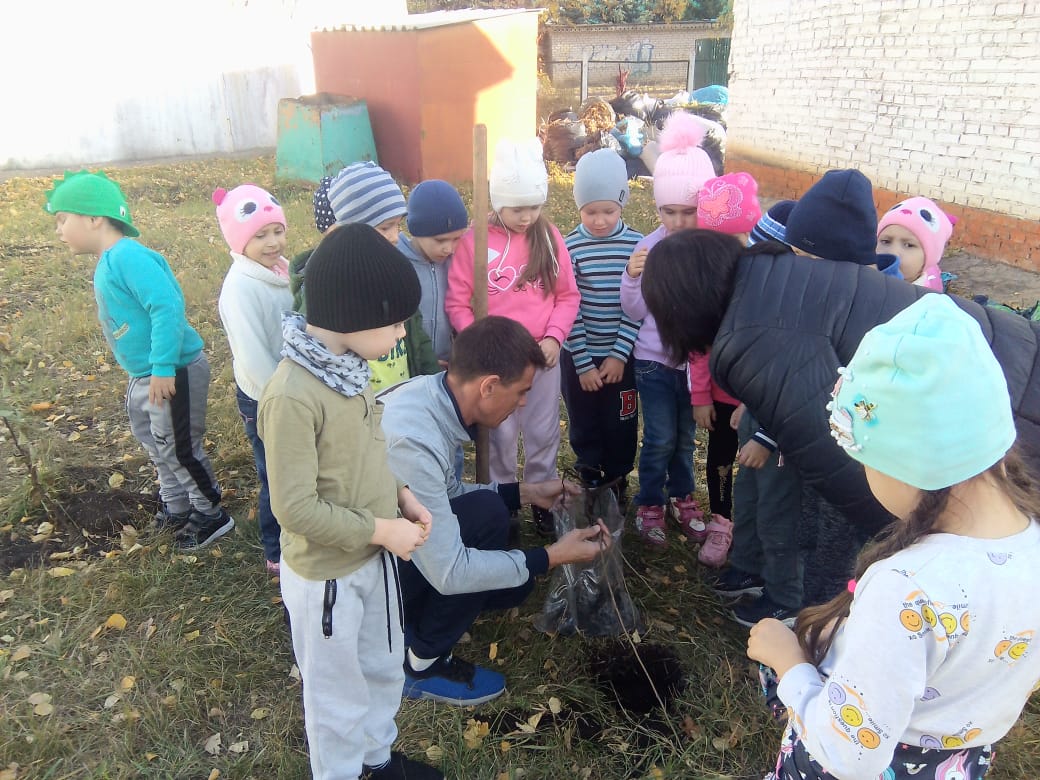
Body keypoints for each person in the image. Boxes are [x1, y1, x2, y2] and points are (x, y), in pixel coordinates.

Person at [748, 293, 1040, 780]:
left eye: (865, 462)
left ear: (910, 465)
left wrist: (790, 663)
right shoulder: (1028, 540)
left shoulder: (907, 586)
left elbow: (849, 755)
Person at [638, 229, 1040, 552]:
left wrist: (905, 556)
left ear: (680, 309)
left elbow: (844, 463)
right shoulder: (778, 274)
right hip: (1015, 352)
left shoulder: (753, 344)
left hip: (1013, 426)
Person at [258, 223, 442, 780]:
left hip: (372, 559)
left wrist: (401, 496)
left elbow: (369, 450)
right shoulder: (292, 395)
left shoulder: (351, 371)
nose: (399, 335)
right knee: (336, 695)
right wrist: (384, 531)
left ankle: (375, 761)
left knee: (383, 667)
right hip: (328, 577)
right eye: (392, 323)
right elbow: (295, 509)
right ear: (351, 315)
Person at [380, 316, 609, 706]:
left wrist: (525, 492)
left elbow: (445, 493)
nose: (523, 403)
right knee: (488, 522)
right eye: (521, 392)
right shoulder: (413, 441)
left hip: (390, 546)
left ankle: (416, 615)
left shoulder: (432, 397)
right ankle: (422, 663)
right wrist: (551, 556)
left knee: (510, 573)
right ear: (488, 386)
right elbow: (450, 572)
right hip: (365, 576)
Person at [45, 170, 233, 551]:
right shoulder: (111, 260)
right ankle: (178, 506)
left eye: (63, 219)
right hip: (145, 374)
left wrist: (163, 367)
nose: (59, 230)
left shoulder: (128, 256)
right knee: (156, 443)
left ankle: (210, 512)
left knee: (178, 446)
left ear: (93, 218)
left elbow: (166, 306)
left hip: (171, 369)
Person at [445, 138, 580, 535]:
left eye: (534, 207)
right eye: (518, 208)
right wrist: (484, 347)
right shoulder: (475, 243)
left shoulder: (548, 238)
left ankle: (542, 495)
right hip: (496, 366)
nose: (527, 217)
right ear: (497, 201)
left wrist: (555, 337)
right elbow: (458, 303)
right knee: (499, 435)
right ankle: (502, 500)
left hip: (541, 358)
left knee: (541, 431)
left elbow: (568, 295)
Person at [699, 203, 805, 626]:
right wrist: (748, 404)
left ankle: (785, 598)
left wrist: (767, 437)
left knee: (779, 514)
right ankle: (748, 567)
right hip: (758, 417)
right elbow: (763, 373)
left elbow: (799, 388)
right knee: (750, 499)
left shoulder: (800, 318)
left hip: (781, 438)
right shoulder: (767, 305)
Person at [619, 111, 716, 548]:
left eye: (689, 211)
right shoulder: (648, 247)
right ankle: (650, 501)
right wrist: (633, 276)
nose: (678, 222)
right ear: (656, 207)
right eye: (668, 211)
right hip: (654, 363)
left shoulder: (708, 249)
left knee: (685, 438)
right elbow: (634, 310)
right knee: (659, 437)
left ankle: (683, 496)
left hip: (693, 367)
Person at [291, 164, 438, 391]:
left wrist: (431, 379)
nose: (395, 237)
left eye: (398, 225)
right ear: (353, 231)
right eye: (385, 227)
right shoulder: (327, 287)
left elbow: (416, 333)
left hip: (403, 393)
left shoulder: (392, 271)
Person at [213, 184, 292, 575]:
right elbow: (255, 358)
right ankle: (276, 550)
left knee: (295, 466)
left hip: (292, 390)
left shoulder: (282, 271)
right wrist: (281, 399)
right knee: (274, 473)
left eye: (277, 230)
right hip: (264, 397)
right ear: (239, 239)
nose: (272, 242)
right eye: (260, 235)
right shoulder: (240, 289)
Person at [561, 148, 643, 506]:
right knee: (585, 420)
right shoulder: (569, 247)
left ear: (623, 202)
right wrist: (582, 362)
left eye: (608, 210)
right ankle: (590, 475)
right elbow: (569, 305)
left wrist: (619, 354)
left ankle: (617, 478)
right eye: (590, 211)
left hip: (620, 359)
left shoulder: (637, 247)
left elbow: (638, 305)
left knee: (621, 421)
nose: (599, 220)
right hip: (579, 357)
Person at [688, 172, 762, 568]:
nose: (728, 251)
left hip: (758, 401)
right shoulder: (706, 282)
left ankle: (752, 526)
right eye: (719, 241)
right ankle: (721, 520)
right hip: (718, 398)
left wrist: (752, 401)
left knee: (758, 467)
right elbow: (699, 345)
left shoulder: (764, 281)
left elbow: (769, 348)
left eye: (738, 239)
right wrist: (701, 397)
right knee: (720, 460)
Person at [398, 179, 470, 366]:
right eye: (440, 240)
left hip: (450, 362)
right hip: (412, 362)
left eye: (456, 239)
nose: (449, 248)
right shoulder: (398, 263)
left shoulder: (457, 263)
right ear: (416, 231)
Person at [876, 195, 956, 291]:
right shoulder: (864, 282)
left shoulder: (928, 300)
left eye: (908, 245)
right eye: (885, 241)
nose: (893, 253)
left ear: (928, 259)